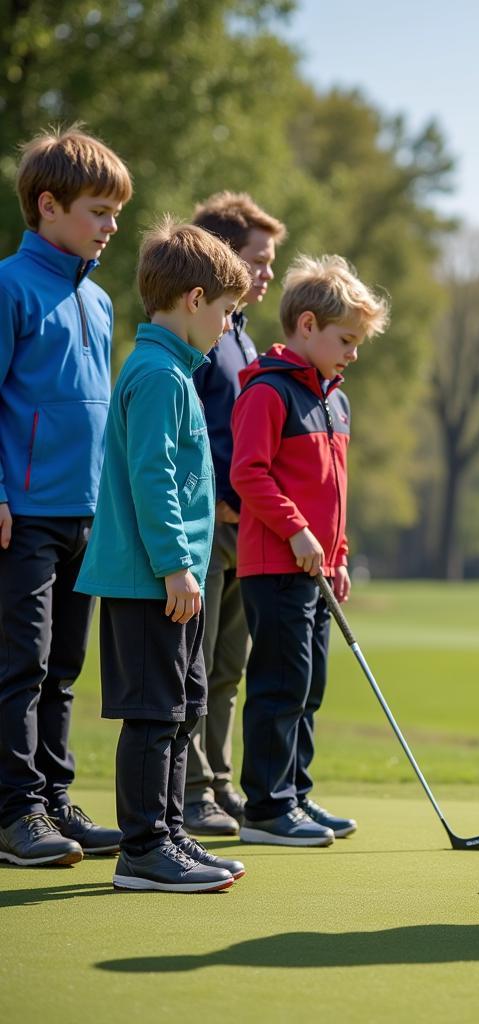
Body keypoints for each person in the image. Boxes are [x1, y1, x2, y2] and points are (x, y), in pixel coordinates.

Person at [75, 218, 251, 892]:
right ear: (196, 300)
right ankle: (143, 848)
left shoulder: (174, 371)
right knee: (153, 714)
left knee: (182, 708)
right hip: (149, 580)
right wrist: (177, 564)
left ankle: (170, 832)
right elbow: (153, 478)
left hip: (171, 582)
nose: (230, 327)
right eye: (229, 313)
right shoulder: (156, 375)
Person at [0, 126, 132, 867]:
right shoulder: (9, 287)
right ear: (48, 206)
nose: (112, 227)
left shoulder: (102, 299)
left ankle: (53, 800)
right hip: (24, 513)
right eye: (98, 211)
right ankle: (15, 813)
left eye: (116, 214)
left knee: (63, 669)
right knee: (21, 664)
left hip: (84, 515)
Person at [231, 254, 389, 846]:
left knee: (310, 681)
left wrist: (339, 552)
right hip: (275, 564)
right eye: (345, 339)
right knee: (280, 681)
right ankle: (267, 809)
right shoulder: (267, 392)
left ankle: (295, 792)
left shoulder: (336, 400)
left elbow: (337, 492)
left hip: (318, 569)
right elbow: (248, 474)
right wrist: (297, 530)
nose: (353, 352)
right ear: (305, 325)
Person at [182, 192, 288, 837]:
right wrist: (214, 495)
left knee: (227, 668)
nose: (268, 272)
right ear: (223, 256)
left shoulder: (242, 336)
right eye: (259, 260)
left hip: (244, 528)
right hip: (205, 524)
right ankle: (190, 791)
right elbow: (185, 432)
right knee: (193, 667)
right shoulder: (198, 337)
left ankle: (217, 784)